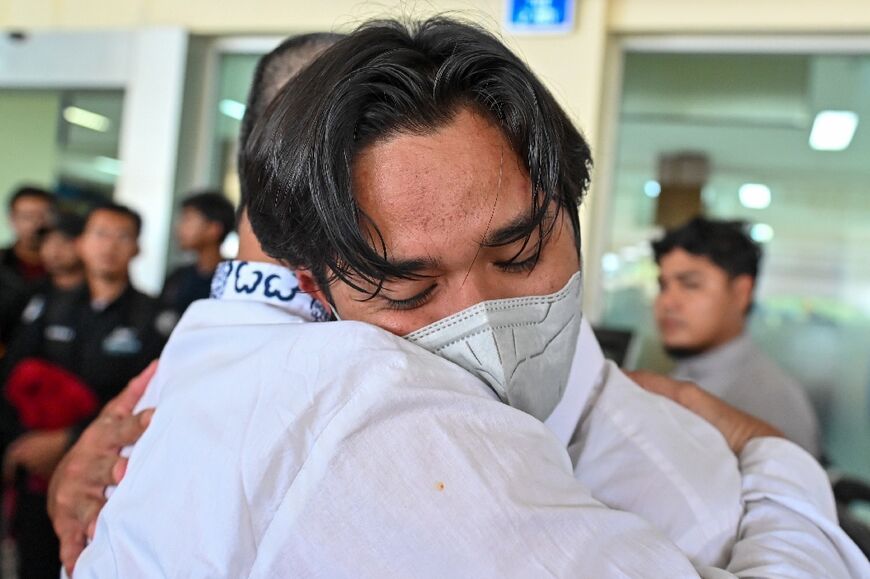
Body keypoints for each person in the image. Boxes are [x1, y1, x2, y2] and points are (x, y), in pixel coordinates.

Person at [68, 19, 868, 578]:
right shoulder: (367, 394)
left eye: (519, 253)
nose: (480, 319)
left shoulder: (219, 351)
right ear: (311, 276)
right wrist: (778, 465)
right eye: (409, 284)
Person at [0, 202, 168, 579]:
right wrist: (19, 445)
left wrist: (69, 439)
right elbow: (12, 381)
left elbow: (151, 402)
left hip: (107, 477)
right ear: (82, 244)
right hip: (36, 469)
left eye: (122, 236)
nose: (109, 245)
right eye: (99, 234)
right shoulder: (47, 307)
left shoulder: (154, 318)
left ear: (137, 248)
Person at [653, 216, 822, 457]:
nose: (667, 302)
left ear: (742, 292)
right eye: (663, 286)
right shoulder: (678, 378)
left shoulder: (770, 401)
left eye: (690, 284)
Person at [158, 191, 235, 327]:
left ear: (214, 228)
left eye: (188, 219)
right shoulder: (177, 277)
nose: (179, 228)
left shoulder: (233, 279)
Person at [1, 185, 55, 285]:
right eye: (27, 217)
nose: (37, 223)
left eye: (43, 216)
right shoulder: (3, 261)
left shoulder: (66, 266)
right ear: (12, 219)